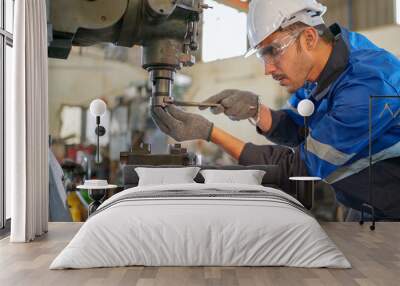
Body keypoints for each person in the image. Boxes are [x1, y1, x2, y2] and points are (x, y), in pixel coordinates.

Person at [151, 0, 400, 220]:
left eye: (273, 51)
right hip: (365, 204)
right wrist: (255, 110)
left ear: (309, 38)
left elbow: (299, 169)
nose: (267, 69)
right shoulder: (324, 66)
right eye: (262, 56)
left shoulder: (368, 86)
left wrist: (210, 133)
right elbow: (296, 127)